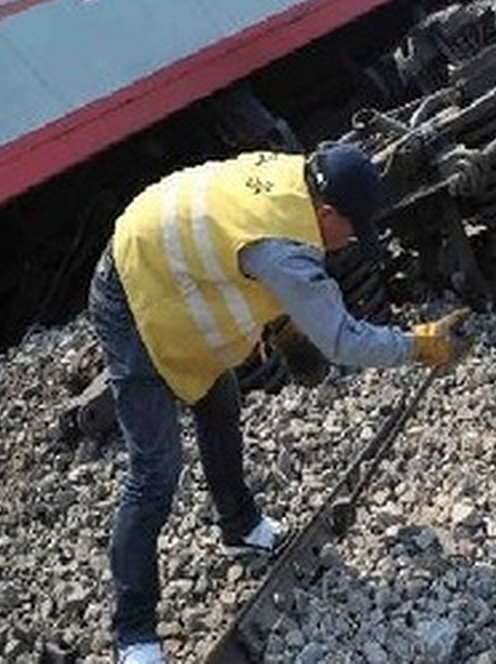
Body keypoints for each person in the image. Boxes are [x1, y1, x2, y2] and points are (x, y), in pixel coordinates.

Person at [88, 143, 471, 664]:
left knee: (218, 397)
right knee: (155, 470)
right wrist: (420, 345)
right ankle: (133, 634)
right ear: (327, 213)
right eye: (353, 228)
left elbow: (234, 253)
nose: (354, 240)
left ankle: (240, 527)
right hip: (131, 290)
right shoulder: (284, 246)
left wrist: (286, 325)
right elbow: (342, 341)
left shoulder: (295, 180)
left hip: (166, 271)